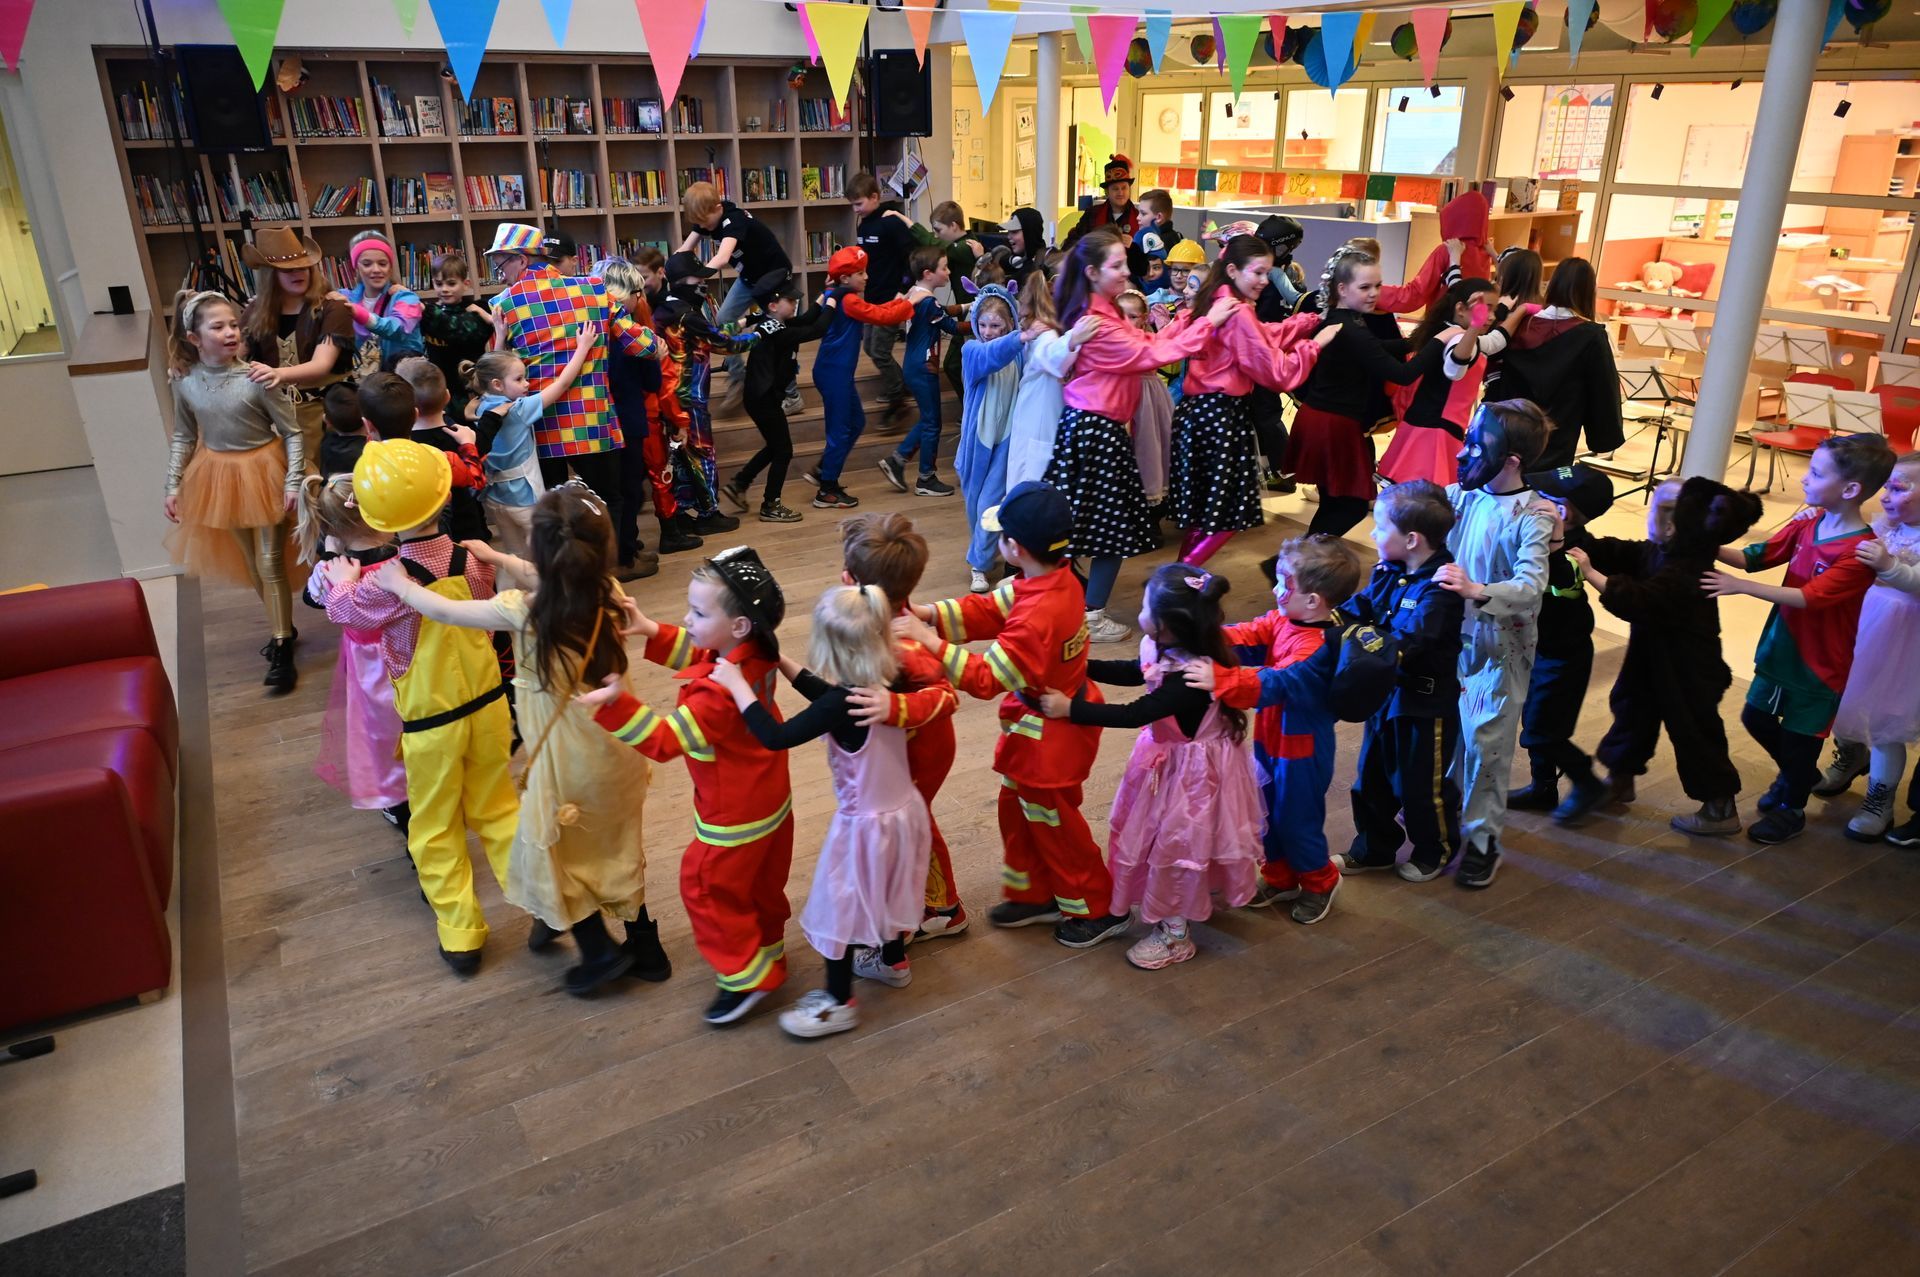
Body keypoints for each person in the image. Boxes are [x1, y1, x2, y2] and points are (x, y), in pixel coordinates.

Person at [369, 484, 666, 996]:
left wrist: (401, 586)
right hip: (620, 752)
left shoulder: (522, 611)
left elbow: (445, 612)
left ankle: (597, 951)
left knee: (556, 853)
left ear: (539, 549)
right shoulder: (608, 591)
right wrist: (499, 558)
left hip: (564, 766)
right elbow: (559, 574)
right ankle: (647, 947)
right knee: (617, 846)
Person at [894, 481, 1129, 949]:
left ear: (1014, 547)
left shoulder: (1039, 613)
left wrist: (929, 642)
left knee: (1056, 825)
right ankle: (1035, 893)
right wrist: (929, 613)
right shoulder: (1054, 578)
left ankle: (1095, 909)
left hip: (1050, 739)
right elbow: (990, 608)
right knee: (1019, 811)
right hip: (1041, 727)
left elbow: (985, 678)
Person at [580, 546, 796, 1026]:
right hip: (771, 798)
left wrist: (615, 703)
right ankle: (768, 950)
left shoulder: (716, 696)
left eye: (698, 612)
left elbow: (663, 741)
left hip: (732, 816)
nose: (687, 619)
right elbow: (704, 652)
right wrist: (651, 630)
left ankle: (747, 978)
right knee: (761, 885)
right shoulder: (756, 650)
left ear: (739, 625)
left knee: (705, 887)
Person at [708, 586, 931, 1039]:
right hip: (902, 813)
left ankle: (838, 1001)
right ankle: (892, 962)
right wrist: (782, 662)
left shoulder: (841, 703)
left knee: (839, 912)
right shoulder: (889, 680)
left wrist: (736, 684)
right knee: (888, 892)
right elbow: (828, 701)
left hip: (862, 828)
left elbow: (777, 736)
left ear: (831, 648)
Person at [340, 439, 518, 975]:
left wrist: (344, 581)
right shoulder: (475, 559)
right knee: (500, 809)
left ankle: (461, 933)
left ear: (377, 521)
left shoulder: (385, 582)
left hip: (431, 727)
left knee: (435, 826)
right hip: (490, 706)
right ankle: (542, 903)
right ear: (444, 496)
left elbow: (343, 612)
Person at [1036, 564, 1262, 968]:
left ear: (1168, 625)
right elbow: (1136, 671)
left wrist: (1070, 708)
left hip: (1194, 778)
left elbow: (1136, 713)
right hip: (1168, 759)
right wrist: (1083, 666)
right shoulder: (1165, 646)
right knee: (1165, 838)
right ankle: (1192, 896)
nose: (1138, 612)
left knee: (1176, 845)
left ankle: (1175, 935)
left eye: (1144, 607)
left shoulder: (1189, 678)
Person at [1703, 434, 1896, 844]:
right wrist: (1704, 544)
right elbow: (1757, 557)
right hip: (1781, 650)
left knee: (1799, 741)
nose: (1805, 479)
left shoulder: (1861, 550)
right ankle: (1799, 776)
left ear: (1850, 489)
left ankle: (1791, 808)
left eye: (1817, 473)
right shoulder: (1808, 522)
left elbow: (1812, 598)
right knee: (1755, 718)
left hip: (1820, 666)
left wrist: (1738, 586)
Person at [1048, 229, 1233, 645]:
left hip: (1096, 430)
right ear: (1092, 272)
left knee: (1089, 528)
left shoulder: (1104, 311)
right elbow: (1151, 353)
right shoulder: (1098, 320)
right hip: (1096, 432)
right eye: (1115, 265)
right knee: (1107, 531)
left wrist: (1187, 316)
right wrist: (1208, 321)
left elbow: (1148, 341)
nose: (1124, 272)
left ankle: (1067, 605)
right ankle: (1088, 614)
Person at [1564, 476, 1764, 837]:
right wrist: (1582, 541)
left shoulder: (1688, 568)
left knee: (1695, 733)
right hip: (1652, 655)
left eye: (1658, 509)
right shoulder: (1664, 551)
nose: (1650, 516)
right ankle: (1620, 779)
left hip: (1688, 669)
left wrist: (1590, 572)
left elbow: (1640, 600)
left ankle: (1720, 808)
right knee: (1631, 712)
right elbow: (1626, 554)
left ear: (1674, 523)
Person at [1198, 534, 1363, 925]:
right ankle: (1280, 876)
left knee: (1297, 819)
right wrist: (1205, 637)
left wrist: (1218, 678)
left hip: (1302, 751)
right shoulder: (1284, 619)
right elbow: (1250, 633)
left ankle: (1320, 881)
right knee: (1267, 812)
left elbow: (1275, 682)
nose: (1275, 590)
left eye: (1284, 583)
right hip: (1271, 741)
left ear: (1314, 601)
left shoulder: (1317, 647)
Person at [487, 222, 664, 560]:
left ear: (522, 260)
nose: (501, 275)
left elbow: (497, 370)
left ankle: (564, 571)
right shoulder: (594, 289)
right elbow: (638, 343)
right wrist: (658, 347)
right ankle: (609, 569)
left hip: (540, 423)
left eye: (501, 265)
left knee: (552, 509)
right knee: (607, 500)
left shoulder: (502, 304)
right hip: (591, 422)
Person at [1436, 401, 1557, 889]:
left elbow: (1530, 585)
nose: (1463, 454)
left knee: (1487, 743)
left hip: (1498, 649)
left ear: (1511, 460)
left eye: (1475, 446)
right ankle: (1445, 811)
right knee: (1448, 733)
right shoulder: (1461, 498)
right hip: (1448, 640)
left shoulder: (1535, 515)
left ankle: (1483, 839)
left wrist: (1476, 590)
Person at [164, 289, 305, 692]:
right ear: (195, 338)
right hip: (218, 476)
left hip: (264, 471)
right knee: (251, 563)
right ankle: (282, 626)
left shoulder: (256, 379)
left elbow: (292, 432)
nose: (230, 333)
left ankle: (282, 645)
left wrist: (293, 480)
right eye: (218, 327)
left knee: (269, 560)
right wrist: (172, 484)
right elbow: (184, 435)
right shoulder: (185, 381)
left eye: (233, 325)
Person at [835, 513, 967, 940]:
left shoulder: (907, 646)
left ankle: (943, 908)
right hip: (899, 748)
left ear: (850, 580)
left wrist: (894, 707)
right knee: (905, 823)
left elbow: (947, 696)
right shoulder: (880, 616)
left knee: (912, 822)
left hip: (921, 750)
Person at [1165, 234, 1333, 567]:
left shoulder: (1217, 301)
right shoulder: (1236, 311)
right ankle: (1178, 577)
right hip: (1219, 417)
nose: (1263, 280)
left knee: (1210, 514)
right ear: (1232, 270)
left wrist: (1307, 321)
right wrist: (1314, 344)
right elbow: (1276, 372)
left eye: (1266, 273)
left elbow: (1261, 337)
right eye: (1257, 272)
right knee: (1225, 515)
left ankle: (1177, 579)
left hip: (1199, 415)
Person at [1337, 480, 1464, 880]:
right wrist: (1326, 621)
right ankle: (1374, 849)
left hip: (1424, 706)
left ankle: (1435, 850)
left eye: (1380, 527)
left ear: (1411, 540)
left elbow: (1410, 642)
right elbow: (1360, 607)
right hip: (1385, 697)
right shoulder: (1390, 570)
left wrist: (1354, 638)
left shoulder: (1442, 587)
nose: (1373, 534)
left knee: (1420, 787)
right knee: (1370, 781)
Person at [1288, 246, 1441, 539]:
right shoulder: (1351, 327)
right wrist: (1440, 340)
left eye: (1378, 286)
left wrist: (1424, 337)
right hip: (1332, 425)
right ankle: (1299, 557)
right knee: (1353, 506)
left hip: (1325, 419)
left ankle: (1303, 558)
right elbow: (1403, 374)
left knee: (1335, 504)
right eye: (1365, 287)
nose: (1374, 294)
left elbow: (1379, 348)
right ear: (1342, 289)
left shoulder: (1346, 319)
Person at [297, 471, 408, 833]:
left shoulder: (332, 571)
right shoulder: (404, 560)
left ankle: (398, 803)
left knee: (381, 734)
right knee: (415, 723)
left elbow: (313, 599)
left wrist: (330, 554)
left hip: (368, 668)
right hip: (411, 655)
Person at [1507, 464, 1616, 825]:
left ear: (1562, 514)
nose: (1533, 499)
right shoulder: (1543, 538)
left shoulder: (1573, 553)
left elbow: (1559, 578)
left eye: (1543, 497)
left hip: (1563, 654)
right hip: (1541, 647)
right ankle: (1543, 789)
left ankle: (1587, 783)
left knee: (1543, 731)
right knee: (1534, 720)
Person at [1827, 452, 1920, 843]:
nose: (1885, 496)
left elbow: (1914, 582)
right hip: (1866, 622)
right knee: (1844, 695)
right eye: (1887, 486)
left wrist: (1889, 566)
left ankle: (1879, 801)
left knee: (1886, 723)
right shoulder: (1885, 524)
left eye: (1899, 488)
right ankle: (1850, 755)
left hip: (1905, 640)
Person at [462, 333, 599, 559]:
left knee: (514, 556)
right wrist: (582, 347)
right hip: (523, 499)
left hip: (494, 498)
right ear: (497, 384)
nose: (527, 383)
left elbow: (493, 370)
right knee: (547, 553)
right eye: (519, 379)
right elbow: (563, 384)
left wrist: (499, 334)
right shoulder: (518, 410)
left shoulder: (480, 405)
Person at [801, 245, 914, 510]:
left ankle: (824, 470)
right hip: (834, 374)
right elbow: (881, 316)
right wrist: (911, 303)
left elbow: (876, 309)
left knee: (856, 423)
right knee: (840, 430)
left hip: (836, 372)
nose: (866, 277)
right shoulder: (848, 300)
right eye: (860, 273)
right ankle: (826, 490)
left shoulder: (841, 295)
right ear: (844, 278)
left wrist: (902, 300)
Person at [649, 250, 752, 537]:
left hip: (671, 398)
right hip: (690, 399)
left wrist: (745, 321)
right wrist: (762, 332)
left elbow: (711, 334)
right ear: (682, 281)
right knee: (702, 454)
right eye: (698, 279)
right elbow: (724, 344)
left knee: (681, 458)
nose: (703, 284)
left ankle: (681, 512)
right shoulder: (686, 314)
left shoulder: (666, 308)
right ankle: (709, 514)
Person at [598, 258, 696, 562]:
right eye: (636, 292)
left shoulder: (591, 329)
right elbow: (655, 384)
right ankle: (631, 552)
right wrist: (657, 355)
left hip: (598, 422)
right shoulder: (635, 334)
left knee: (612, 490)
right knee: (634, 488)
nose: (640, 298)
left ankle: (623, 545)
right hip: (634, 419)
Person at [720, 269, 831, 524]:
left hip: (760, 396)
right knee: (783, 450)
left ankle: (740, 483)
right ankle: (771, 504)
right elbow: (817, 328)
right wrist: (834, 301)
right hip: (763, 398)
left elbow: (807, 318)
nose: (795, 303)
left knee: (775, 445)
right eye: (790, 300)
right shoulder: (778, 332)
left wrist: (826, 294)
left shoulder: (774, 323)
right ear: (773, 306)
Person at [1491, 259, 1623, 471]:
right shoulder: (1590, 336)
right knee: (1547, 487)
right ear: (1589, 291)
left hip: (1511, 429)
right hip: (1558, 434)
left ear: (1552, 285)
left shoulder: (1521, 324)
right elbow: (1603, 388)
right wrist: (1603, 437)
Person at [239, 226, 354, 467]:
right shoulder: (255, 311)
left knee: (325, 481)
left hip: (329, 418)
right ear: (270, 274)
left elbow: (322, 365)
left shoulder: (332, 307)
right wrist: (187, 363)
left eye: (303, 266)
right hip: (276, 419)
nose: (298, 273)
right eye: (287, 269)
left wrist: (276, 374)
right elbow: (234, 358)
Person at [679, 180, 797, 411]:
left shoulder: (733, 221)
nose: (703, 227)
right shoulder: (707, 218)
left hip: (774, 278)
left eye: (704, 222)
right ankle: (738, 378)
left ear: (717, 208)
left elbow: (723, 258)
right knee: (723, 319)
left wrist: (696, 277)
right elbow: (685, 249)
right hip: (750, 279)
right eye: (698, 223)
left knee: (776, 333)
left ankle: (792, 395)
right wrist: (672, 271)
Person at [1378, 276, 1497, 488]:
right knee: (1422, 500)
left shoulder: (1443, 329)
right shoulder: (1459, 337)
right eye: (1486, 309)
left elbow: (1497, 341)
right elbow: (1455, 368)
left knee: (1411, 498)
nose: (1491, 316)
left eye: (1493, 309)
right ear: (1460, 309)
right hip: (1435, 433)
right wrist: (1474, 327)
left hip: (1425, 424)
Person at [955, 284, 1035, 595]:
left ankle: (979, 563)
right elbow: (991, 356)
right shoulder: (972, 351)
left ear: (1010, 323)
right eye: (983, 324)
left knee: (990, 502)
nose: (988, 332)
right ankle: (987, 550)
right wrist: (1020, 338)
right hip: (976, 444)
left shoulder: (1018, 354)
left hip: (1006, 440)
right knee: (975, 506)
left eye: (996, 325)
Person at [877, 245, 962, 498]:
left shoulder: (916, 293)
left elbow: (942, 311)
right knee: (932, 423)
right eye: (944, 268)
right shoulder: (928, 302)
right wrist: (989, 323)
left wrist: (969, 306)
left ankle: (897, 460)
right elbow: (952, 327)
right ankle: (926, 478)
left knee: (928, 419)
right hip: (924, 368)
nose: (948, 272)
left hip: (914, 365)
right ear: (928, 273)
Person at [1003, 267, 1093, 499]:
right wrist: (1073, 339)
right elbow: (1053, 358)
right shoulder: (1046, 334)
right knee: (1033, 474)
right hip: (1039, 413)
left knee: (1030, 470)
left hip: (1036, 409)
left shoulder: (1040, 330)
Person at [849, 171, 921, 423]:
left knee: (879, 350)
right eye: (852, 205)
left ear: (874, 197)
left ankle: (897, 399)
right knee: (870, 347)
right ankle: (901, 384)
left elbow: (912, 257)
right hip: (872, 296)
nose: (855, 209)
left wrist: (903, 289)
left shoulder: (891, 222)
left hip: (892, 298)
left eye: (859, 203)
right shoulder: (863, 224)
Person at [395, 357, 487, 543]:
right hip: (467, 531)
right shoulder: (464, 437)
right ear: (447, 396)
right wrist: (470, 445)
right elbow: (476, 484)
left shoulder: (401, 445)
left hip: (423, 534)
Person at [1113, 291, 1173, 514]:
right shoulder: (1111, 339)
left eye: (1132, 316)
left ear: (1144, 317)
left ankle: (1151, 504)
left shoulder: (1148, 339)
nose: (1126, 322)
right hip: (1120, 396)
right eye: (1121, 316)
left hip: (1147, 399)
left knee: (1149, 446)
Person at [337, 231, 425, 378]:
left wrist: (361, 315)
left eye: (382, 264)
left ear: (390, 267)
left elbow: (399, 329)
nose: (376, 270)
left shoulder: (407, 298)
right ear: (356, 267)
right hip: (363, 383)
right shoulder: (345, 298)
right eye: (367, 264)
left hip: (402, 381)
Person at [420, 252, 493, 424]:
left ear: (465, 284)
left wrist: (423, 309)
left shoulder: (477, 310)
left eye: (451, 283)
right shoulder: (431, 313)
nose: (444, 289)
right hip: (438, 392)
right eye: (439, 283)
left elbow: (454, 330)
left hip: (469, 393)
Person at [1061, 154, 1139, 250]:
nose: (1120, 192)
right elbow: (1073, 242)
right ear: (1107, 192)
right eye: (1115, 189)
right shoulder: (1092, 214)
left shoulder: (1139, 217)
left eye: (1124, 188)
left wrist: (1134, 245)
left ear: (1129, 189)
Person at [999, 206, 1048, 287]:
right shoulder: (1015, 260)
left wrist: (981, 259)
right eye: (1008, 232)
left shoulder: (1040, 266)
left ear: (1029, 233)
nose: (1009, 237)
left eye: (1014, 232)